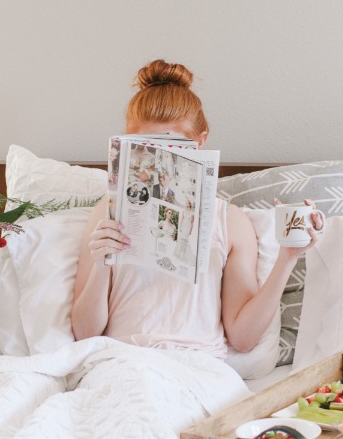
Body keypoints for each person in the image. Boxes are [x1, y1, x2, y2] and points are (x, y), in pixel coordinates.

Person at [71, 59, 323, 358]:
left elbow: (243, 338)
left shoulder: (231, 221)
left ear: (200, 143)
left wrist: (288, 257)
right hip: (123, 361)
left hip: (198, 366)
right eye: (145, 146)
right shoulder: (107, 213)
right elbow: (85, 334)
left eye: (172, 147)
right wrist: (102, 264)